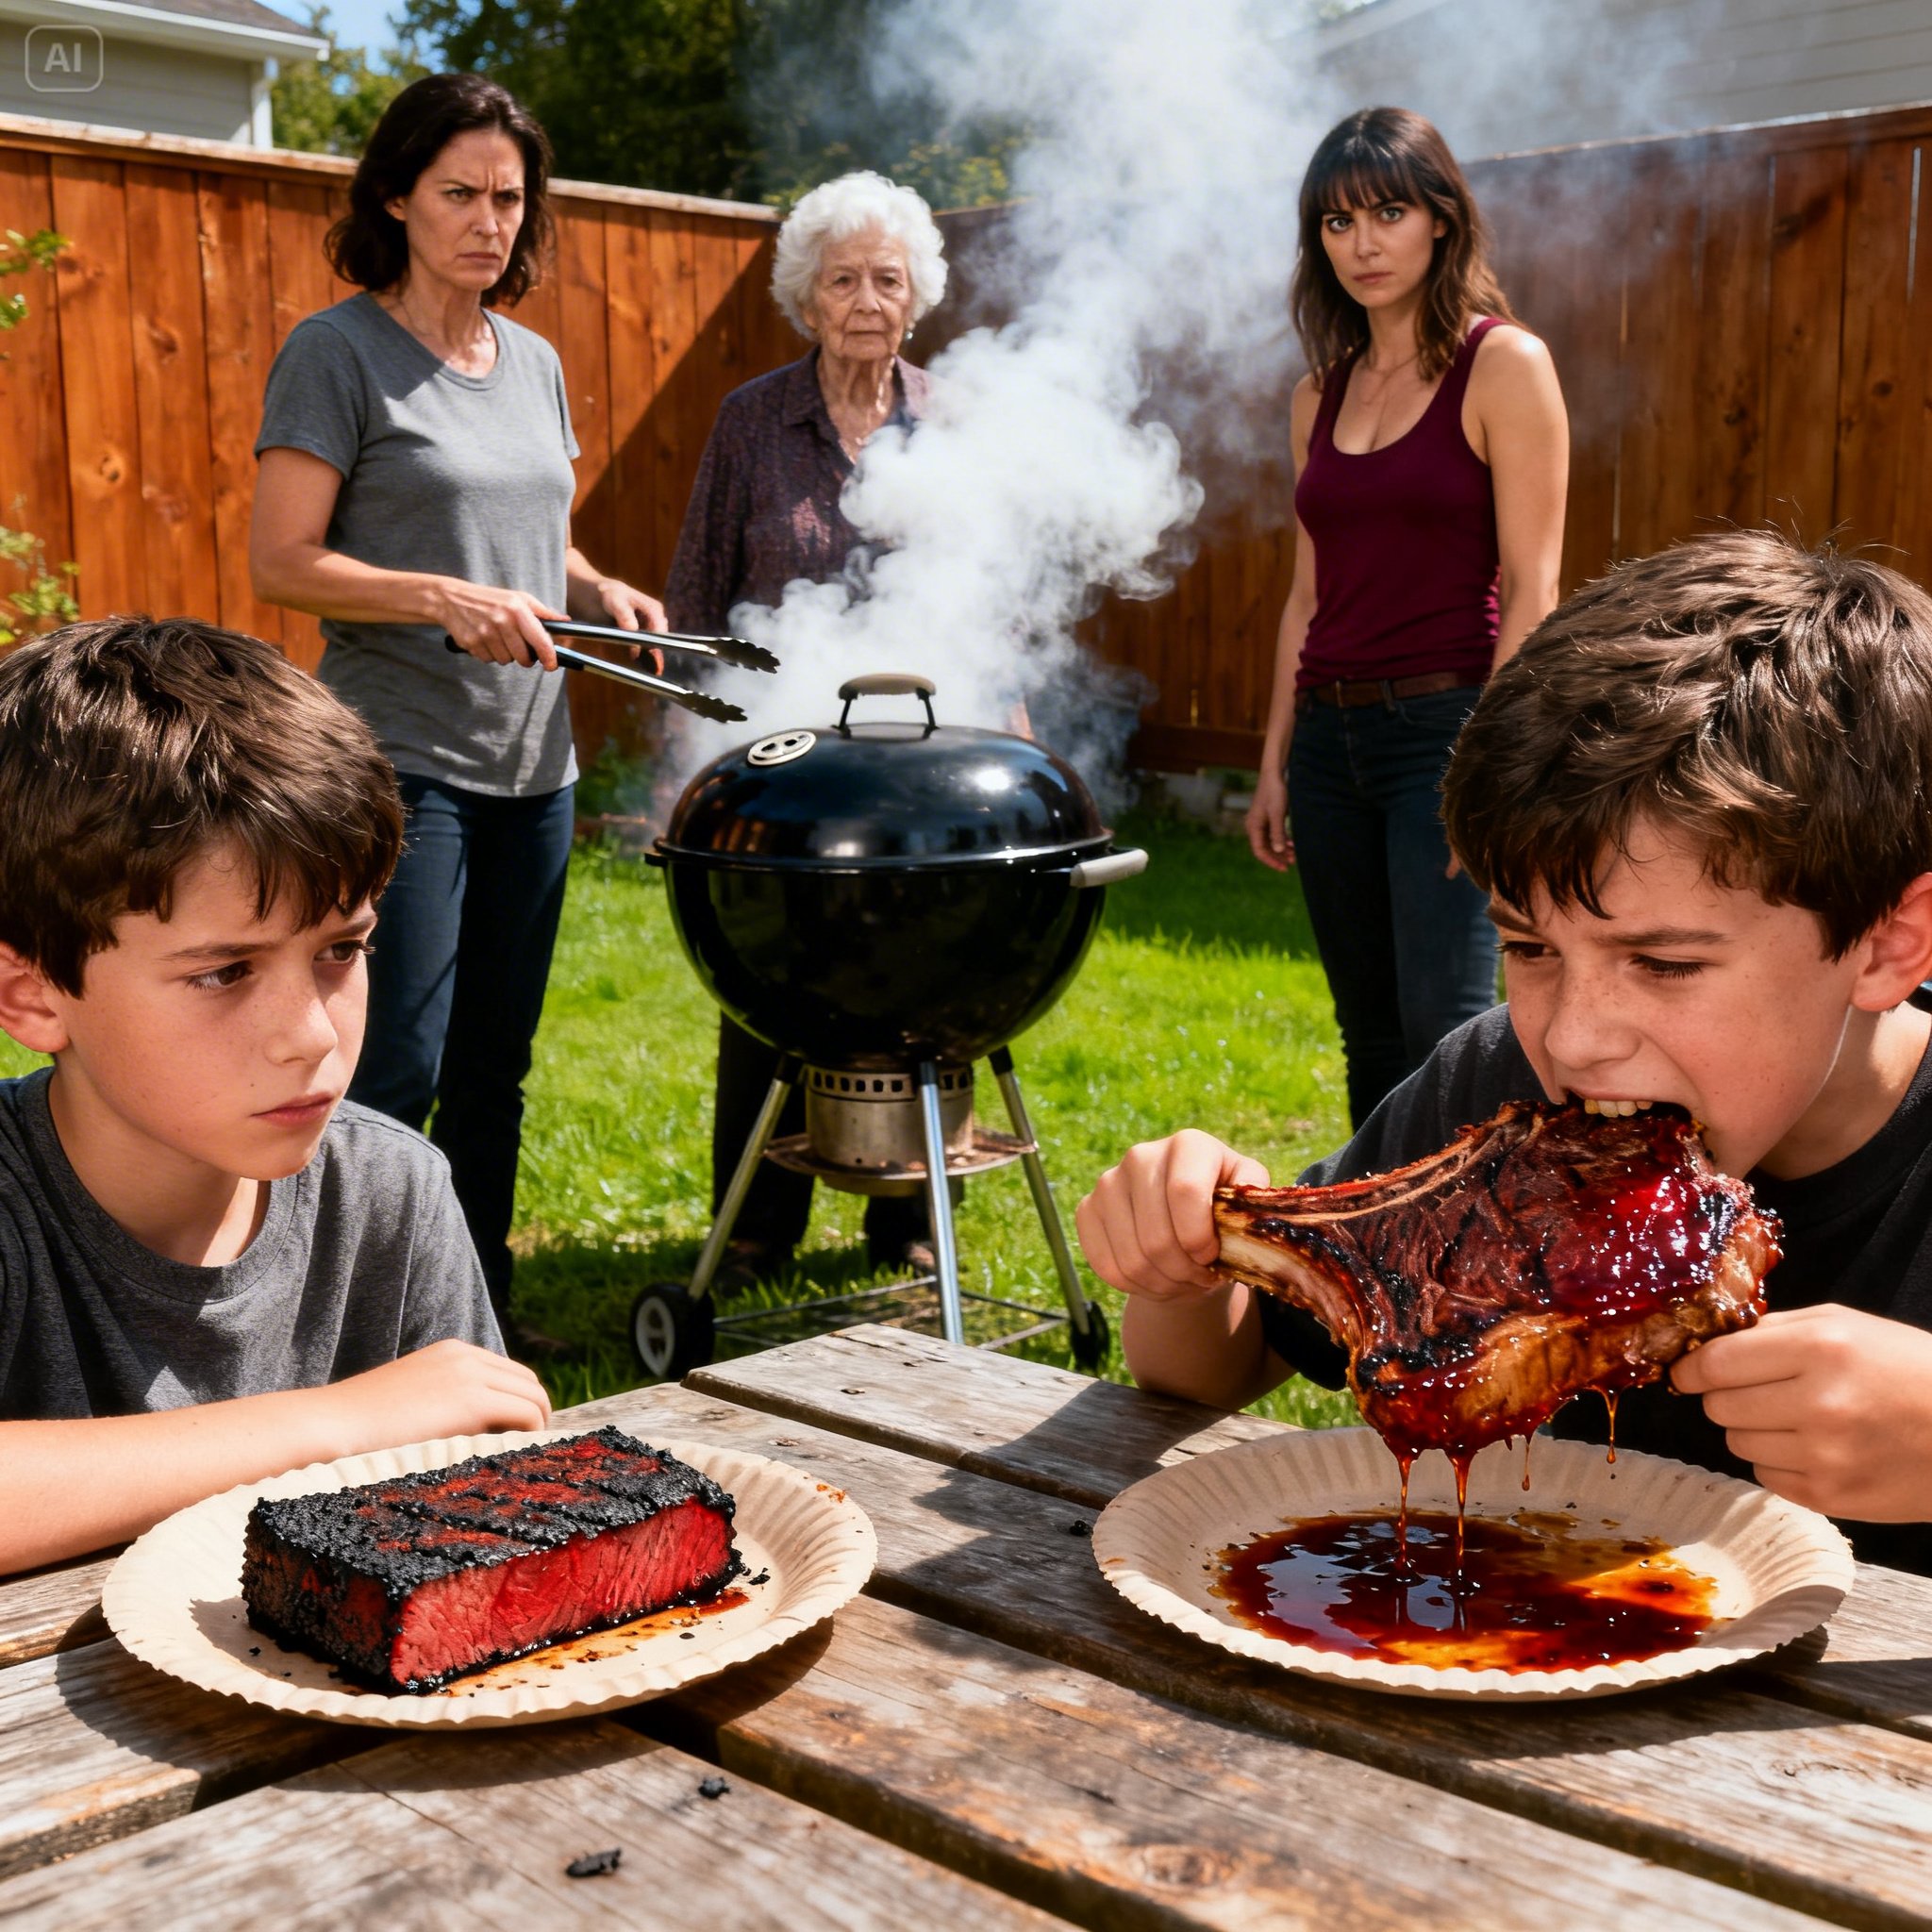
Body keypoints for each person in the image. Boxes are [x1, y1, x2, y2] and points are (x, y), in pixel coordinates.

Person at [1079, 531, 1932, 1575]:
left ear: (1886, 945)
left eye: (1662, 962)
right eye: (1528, 948)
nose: (1571, 1036)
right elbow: (1217, 1370)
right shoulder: (1495, 1092)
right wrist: (1181, 1267)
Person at [0, 618, 551, 1575]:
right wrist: (342, 1421)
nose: (312, 1034)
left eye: (341, 949)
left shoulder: (389, 1192)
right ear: (34, 995)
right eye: (224, 971)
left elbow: (487, 1522)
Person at [250, 73, 665, 1341]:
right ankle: (343, 1332)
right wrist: (440, 596)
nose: (490, 221)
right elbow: (282, 561)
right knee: (399, 1064)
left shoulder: (532, 361)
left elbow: (533, 531)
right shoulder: (336, 353)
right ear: (396, 196)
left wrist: (595, 586)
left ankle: (471, 1319)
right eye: (461, 195)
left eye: (509, 199)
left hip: (536, 769)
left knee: (496, 1070)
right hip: (403, 762)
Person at [1245, 106, 1568, 1128]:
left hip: (1442, 734)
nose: (1364, 243)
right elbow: (1306, 594)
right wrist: (1273, 761)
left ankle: (1478, 1230)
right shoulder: (1317, 395)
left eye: (1388, 212)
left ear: (1440, 219)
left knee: (1446, 1030)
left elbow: (1535, 588)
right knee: (1370, 1032)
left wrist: (1484, 774)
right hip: (1326, 748)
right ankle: (1379, 1222)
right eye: (1337, 223)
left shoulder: (1504, 365)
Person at [666, 169, 951, 1289]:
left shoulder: (952, 420)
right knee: (768, 978)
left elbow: (1004, 594)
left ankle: (907, 1214)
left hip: (920, 759)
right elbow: (698, 592)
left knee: (920, 970)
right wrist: (690, 756)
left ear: (915, 295)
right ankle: (756, 1222)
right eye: (842, 280)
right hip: (778, 758)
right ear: (806, 295)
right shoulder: (751, 419)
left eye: (886, 278)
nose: (866, 300)